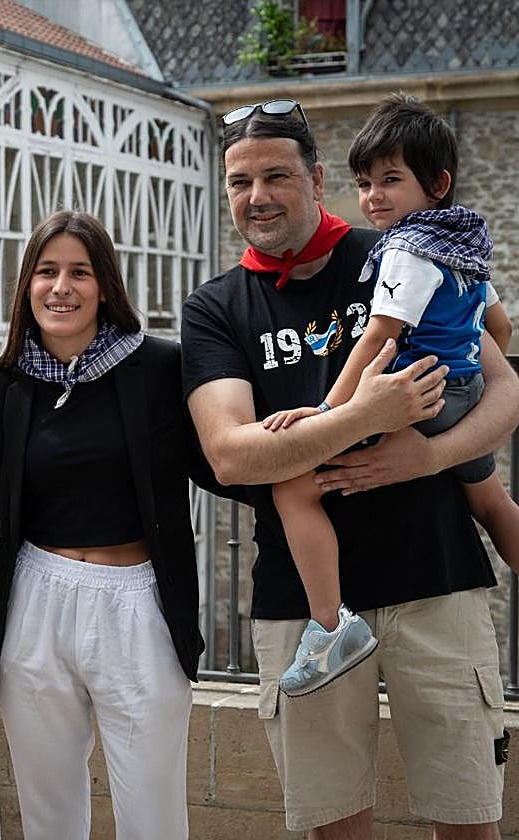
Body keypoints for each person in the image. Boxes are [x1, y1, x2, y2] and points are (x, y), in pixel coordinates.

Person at [181, 98, 518, 837]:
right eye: (240, 182)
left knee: (469, 820)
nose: (257, 196)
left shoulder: (398, 250)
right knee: (333, 827)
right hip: (303, 610)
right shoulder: (216, 308)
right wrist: (362, 419)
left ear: (317, 178)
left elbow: (503, 389)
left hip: (435, 581)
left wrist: (426, 453)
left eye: (276, 175)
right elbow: (233, 454)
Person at [0, 211, 220, 840]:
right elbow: (0, 501)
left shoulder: (160, 369)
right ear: (26, 285)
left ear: (105, 285)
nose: (61, 288)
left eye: (79, 272)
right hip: (35, 600)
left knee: (152, 815)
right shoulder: (3, 387)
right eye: (46, 272)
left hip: (138, 603)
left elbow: (222, 462)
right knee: (48, 814)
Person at [259, 94, 519, 697]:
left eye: (390, 181)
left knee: (293, 485)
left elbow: (380, 335)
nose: (374, 197)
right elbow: (499, 330)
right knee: (493, 500)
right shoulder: (464, 240)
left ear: (437, 183)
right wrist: (457, 359)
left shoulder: (406, 248)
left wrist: (331, 413)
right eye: (365, 183)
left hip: (420, 394)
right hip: (465, 389)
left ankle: (329, 629)